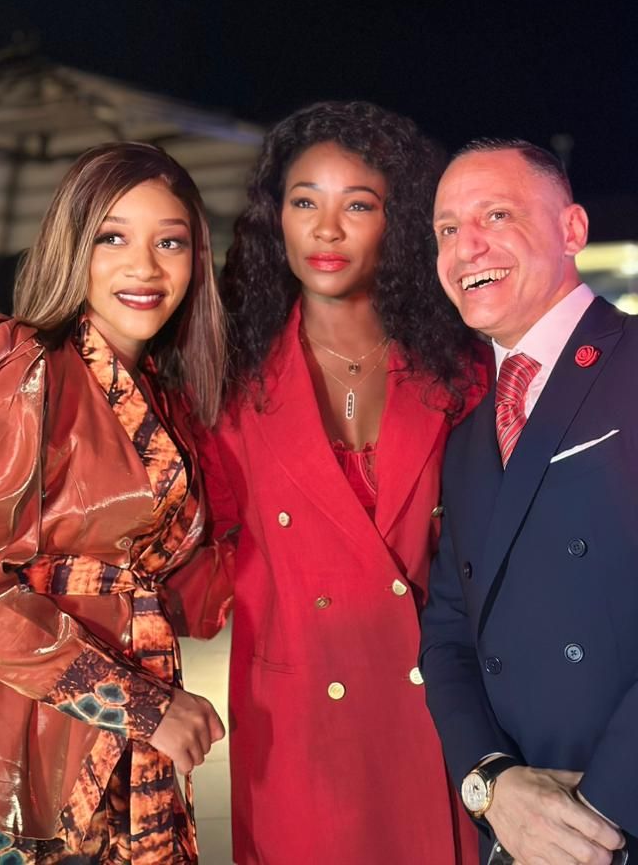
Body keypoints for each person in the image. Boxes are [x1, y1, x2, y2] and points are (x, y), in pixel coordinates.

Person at [419, 138, 638, 864]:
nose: (465, 246)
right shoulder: (470, 439)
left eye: (496, 215)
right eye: (447, 228)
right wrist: (491, 783)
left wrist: (595, 816)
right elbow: (447, 634)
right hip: (526, 829)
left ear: (571, 229)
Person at [196, 100, 487, 864]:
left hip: (443, 716)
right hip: (298, 723)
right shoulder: (226, 387)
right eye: (305, 203)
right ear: (276, 219)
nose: (326, 231)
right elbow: (192, 567)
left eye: (358, 205)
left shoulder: (462, 374)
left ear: (399, 223)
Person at [0, 142, 233, 864]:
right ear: (71, 246)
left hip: (124, 753)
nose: (145, 267)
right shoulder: (24, 369)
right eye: (113, 237)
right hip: (15, 751)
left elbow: (193, 590)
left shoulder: (168, 400)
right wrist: (137, 703)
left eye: (170, 242)